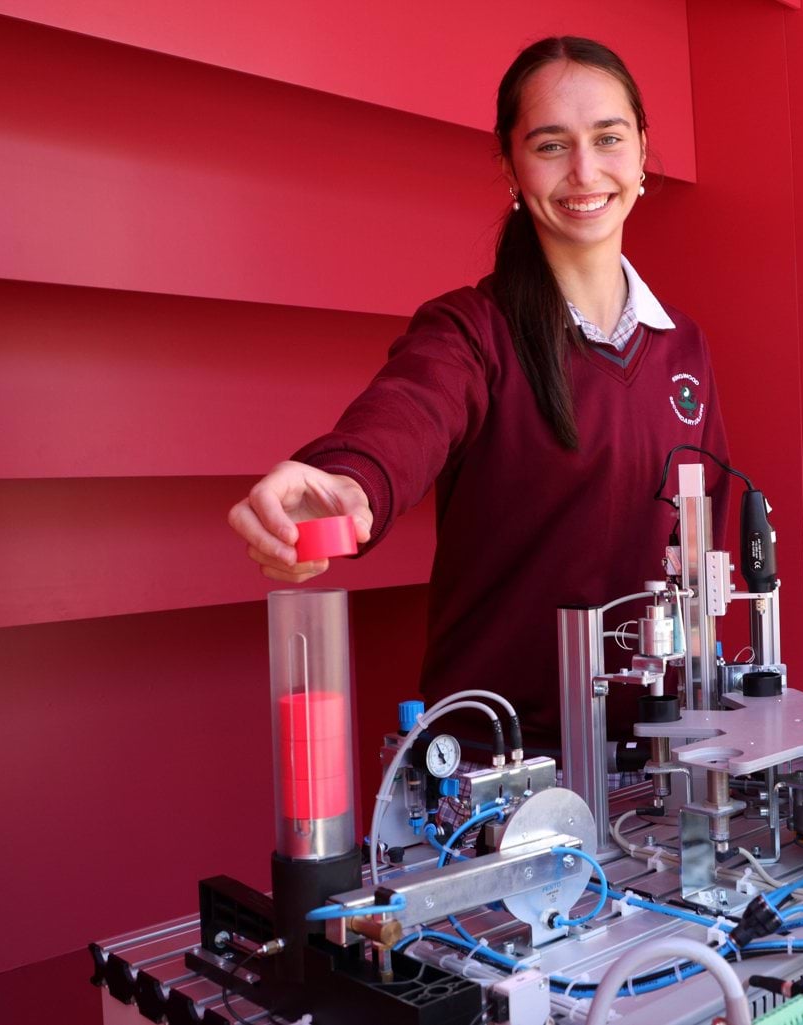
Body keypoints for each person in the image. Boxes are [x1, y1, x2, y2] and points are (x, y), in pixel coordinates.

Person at [226, 36, 732, 747]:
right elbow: (407, 413)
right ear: (510, 165)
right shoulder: (471, 331)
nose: (585, 171)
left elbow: (701, 547)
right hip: (499, 766)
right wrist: (349, 479)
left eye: (608, 139)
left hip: (660, 756)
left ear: (643, 151)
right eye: (551, 145)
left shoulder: (684, 346)